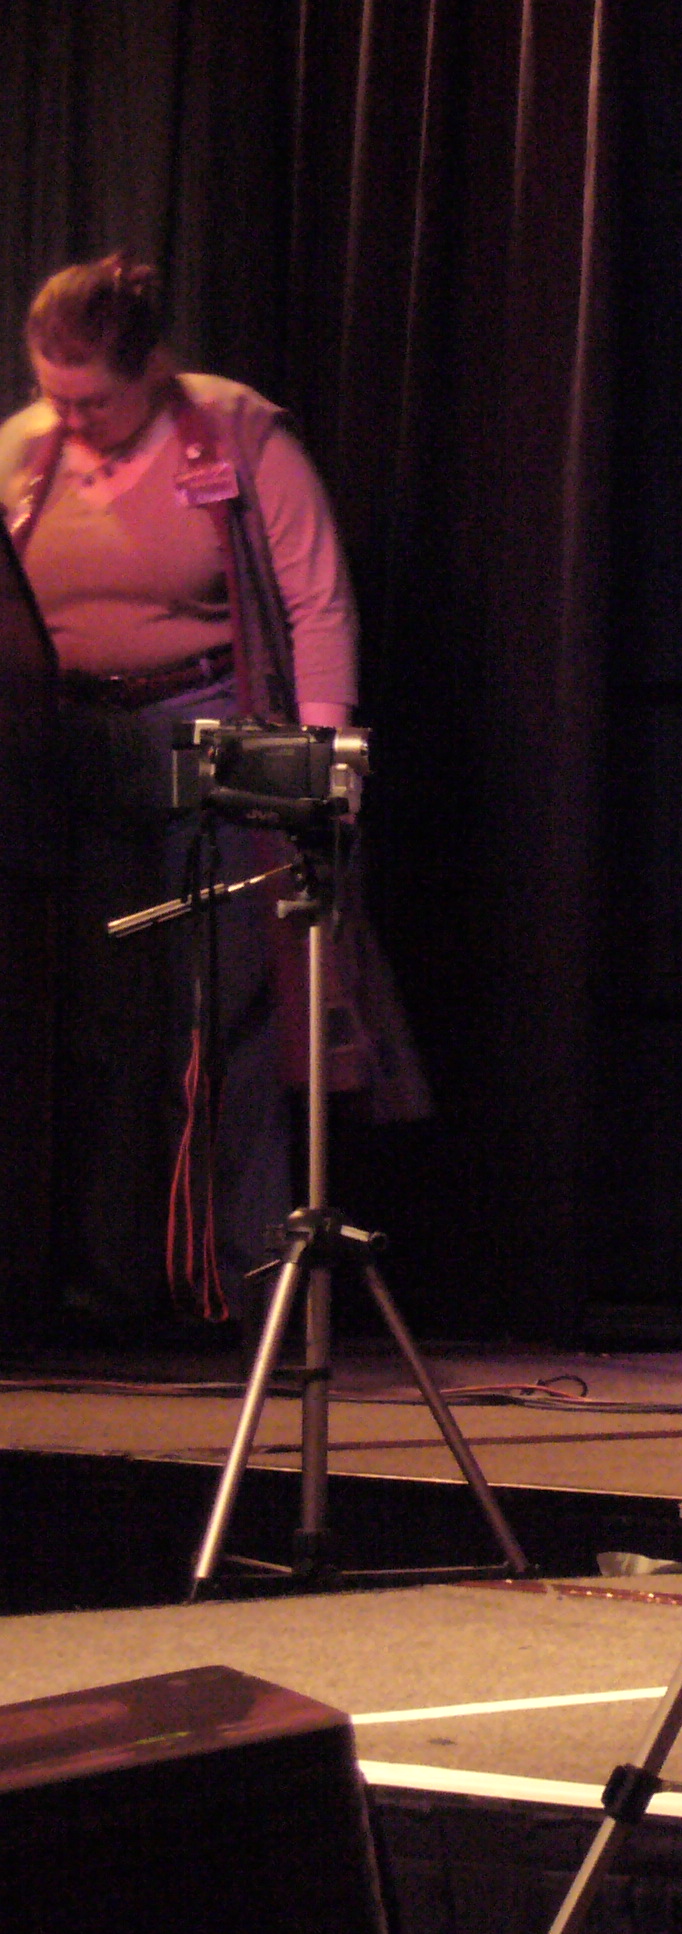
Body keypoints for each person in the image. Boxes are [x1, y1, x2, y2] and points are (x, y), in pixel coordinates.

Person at [0, 253, 358, 1339]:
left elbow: (317, 601)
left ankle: (250, 1283)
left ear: (151, 369)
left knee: (223, 1017)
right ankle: (109, 1288)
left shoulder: (239, 432)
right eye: (54, 395)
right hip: (68, 748)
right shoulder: (24, 450)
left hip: (207, 741)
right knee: (99, 1030)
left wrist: (322, 768)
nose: (71, 419)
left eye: (93, 401)